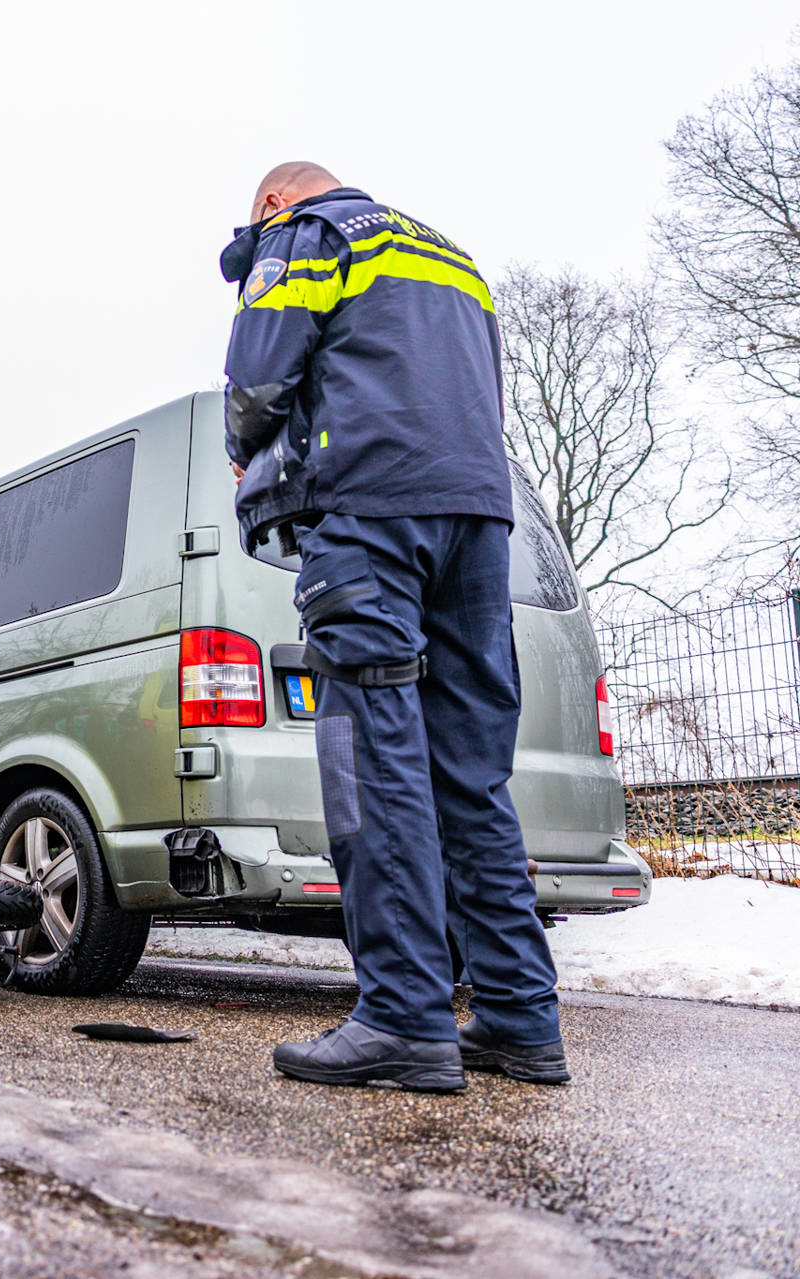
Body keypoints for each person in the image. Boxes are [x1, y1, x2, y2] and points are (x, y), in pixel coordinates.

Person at [219, 162, 566, 1092]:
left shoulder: (309, 235)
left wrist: (244, 460)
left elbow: (255, 384)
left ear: (271, 206)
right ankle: (520, 1017)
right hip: (480, 523)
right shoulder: (454, 261)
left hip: (372, 517)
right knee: (471, 776)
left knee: (374, 759)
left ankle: (406, 1018)